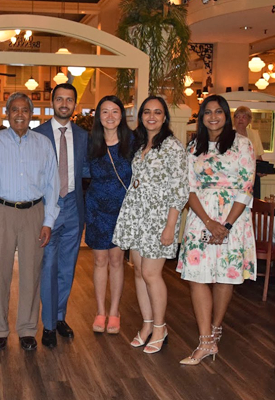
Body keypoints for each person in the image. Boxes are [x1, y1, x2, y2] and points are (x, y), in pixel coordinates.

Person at [177, 95, 256, 365]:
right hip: (201, 217)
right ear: (201, 117)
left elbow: (246, 187)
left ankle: (216, 328)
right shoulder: (193, 147)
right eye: (208, 112)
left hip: (234, 216)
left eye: (219, 111)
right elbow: (188, 188)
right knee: (197, 276)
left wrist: (226, 225)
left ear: (227, 115)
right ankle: (205, 341)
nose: (213, 116)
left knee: (225, 275)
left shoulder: (243, 144)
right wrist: (209, 222)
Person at [112, 96, 189, 354]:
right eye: (147, 112)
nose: (152, 116)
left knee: (151, 274)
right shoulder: (141, 143)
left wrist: (170, 226)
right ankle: (146, 325)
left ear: (165, 117)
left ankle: (160, 327)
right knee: (137, 271)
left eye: (157, 112)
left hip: (159, 217)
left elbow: (179, 189)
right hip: (136, 215)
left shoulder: (172, 146)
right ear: (141, 116)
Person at [0, 92, 60, 351]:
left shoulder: (43, 144)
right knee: (0, 273)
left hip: (33, 213)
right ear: (7, 114)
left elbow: (53, 184)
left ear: (31, 114)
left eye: (24, 110)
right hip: (0, 211)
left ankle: (28, 329)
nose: (19, 114)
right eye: (14, 109)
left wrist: (49, 220)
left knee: (31, 273)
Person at [33, 83, 89, 347]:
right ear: (52, 102)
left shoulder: (83, 136)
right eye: (59, 99)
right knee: (49, 266)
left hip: (74, 209)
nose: (64, 103)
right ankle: (47, 325)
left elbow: (87, 172)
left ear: (74, 105)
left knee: (67, 267)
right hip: (48, 210)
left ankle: (59, 317)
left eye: (69, 99)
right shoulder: (37, 134)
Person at [85, 95, 135, 335]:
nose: (110, 116)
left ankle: (114, 311)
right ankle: (100, 310)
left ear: (121, 115)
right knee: (99, 261)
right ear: (98, 116)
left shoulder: (133, 141)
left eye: (115, 111)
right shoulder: (90, 141)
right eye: (105, 111)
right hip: (96, 208)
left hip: (122, 209)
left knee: (116, 261)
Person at [233, 106, 265, 199]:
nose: (240, 119)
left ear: (249, 120)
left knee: (253, 205)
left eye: (244, 117)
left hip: (253, 177)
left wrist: (262, 169)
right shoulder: (229, 134)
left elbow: (258, 157)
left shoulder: (254, 134)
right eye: (238, 116)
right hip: (236, 177)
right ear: (234, 119)